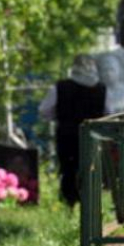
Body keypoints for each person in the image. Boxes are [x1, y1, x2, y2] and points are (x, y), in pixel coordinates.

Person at [39, 54, 106, 206]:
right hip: (92, 136)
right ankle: (89, 203)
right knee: (90, 168)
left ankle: (69, 202)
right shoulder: (101, 89)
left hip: (67, 134)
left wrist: (60, 116)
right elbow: (109, 112)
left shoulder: (60, 87)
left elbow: (44, 110)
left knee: (68, 169)